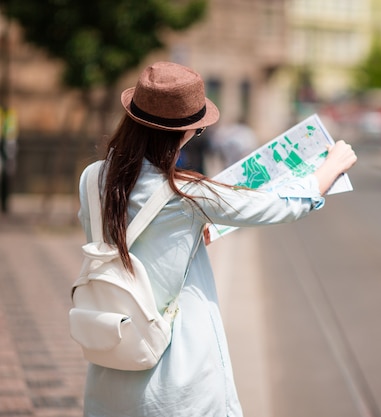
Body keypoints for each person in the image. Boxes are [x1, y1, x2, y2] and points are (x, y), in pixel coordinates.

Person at [76, 61, 357, 417]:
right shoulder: (186, 194)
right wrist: (329, 168)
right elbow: (276, 205)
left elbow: (121, 237)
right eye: (194, 131)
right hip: (174, 378)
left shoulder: (91, 179)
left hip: (110, 366)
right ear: (180, 134)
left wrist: (184, 239)